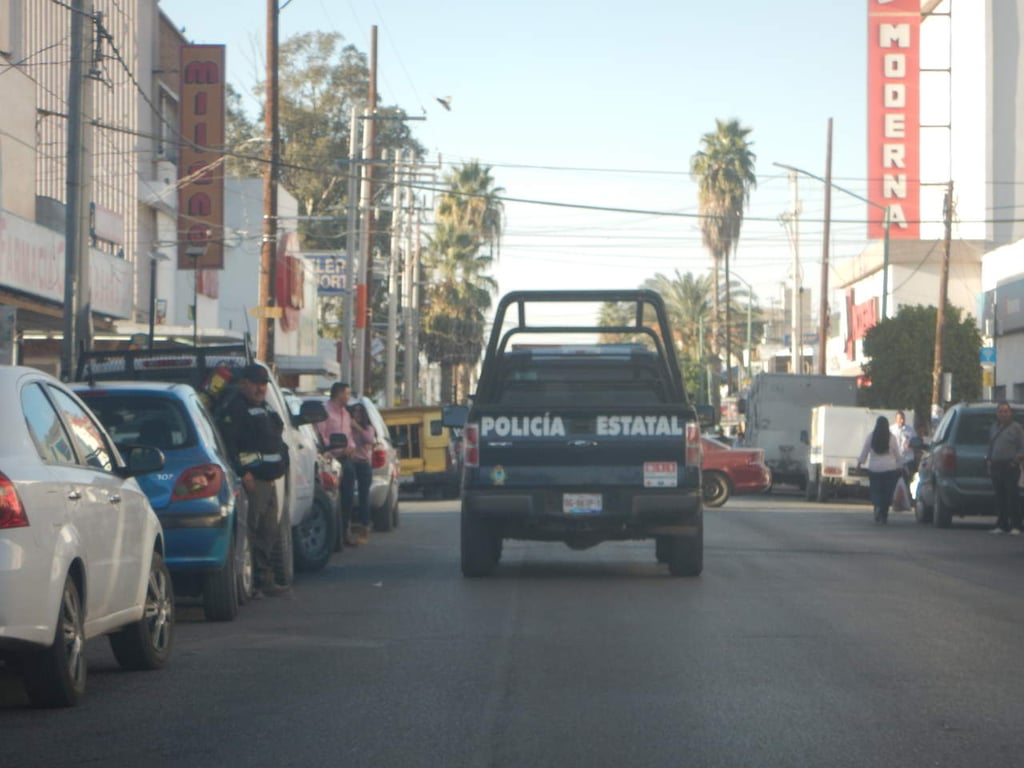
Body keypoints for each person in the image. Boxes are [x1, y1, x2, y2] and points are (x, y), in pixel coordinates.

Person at [217, 363, 290, 596]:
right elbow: (229, 445)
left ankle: (264, 579)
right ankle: (252, 582)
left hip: (269, 480)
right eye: (256, 384)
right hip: (253, 481)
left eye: (264, 384)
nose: (261, 389)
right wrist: (242, 472)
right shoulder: (235, 409)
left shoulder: (265, 407)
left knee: (268, 532)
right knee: (253, 533)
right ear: (243, 384)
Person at [317, 381, 358, 547]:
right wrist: (335, 449)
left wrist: (350, 448)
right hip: (330, 460)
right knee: (331, 499)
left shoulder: (346, 414)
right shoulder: (324, 411)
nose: (348, 397)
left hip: (346, 460)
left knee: (347, 498)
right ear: (338, 394)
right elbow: (321, 436)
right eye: (346, 394)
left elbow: (350, 437)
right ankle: (332, 537)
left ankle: (345, 531)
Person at [985, 401, 1024, 535]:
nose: (1003, 414)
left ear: (1010, 413)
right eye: (1001, 411)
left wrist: (1016, 460)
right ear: (997, 414)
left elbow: (1022, 447)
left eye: (1006, 411)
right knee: (999, 496)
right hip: (996, 466)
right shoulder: (994, 428)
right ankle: (1002, 525)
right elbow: (990, 446)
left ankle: (1016, 525)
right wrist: (989, 460)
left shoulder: (1016, 428)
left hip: (1010, 466)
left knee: (1012, 496)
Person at [857, 415, 903, 524]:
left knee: (876, 491)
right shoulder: (891, 438)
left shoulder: (871, 436)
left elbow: (864, 452)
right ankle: (884, 514)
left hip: (874, 469)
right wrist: (901, 466)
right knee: (887, 493)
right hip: (889, 470)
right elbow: (897, 454)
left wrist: (859, 464)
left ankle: (877, 507)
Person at [348, 400, 377, 543]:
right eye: (354, 411)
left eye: (360, 411)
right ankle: (347, 528)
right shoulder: (347, 428)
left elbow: (370, 439)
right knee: (347, 495)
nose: (357, 414)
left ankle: (364, 528)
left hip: (363, 464)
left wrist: (358, 427)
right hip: (351, 463)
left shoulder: (368, 428)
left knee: (363, 497)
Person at [890, 410, 917, 478]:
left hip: (907, 461)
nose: (902, 421)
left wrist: (911, 445)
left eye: (903, 419)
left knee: (907, 482)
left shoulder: (910, 430)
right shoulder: (891, 430)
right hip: (895, 462)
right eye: (900, 419)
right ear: (896, 419)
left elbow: (916, 443)